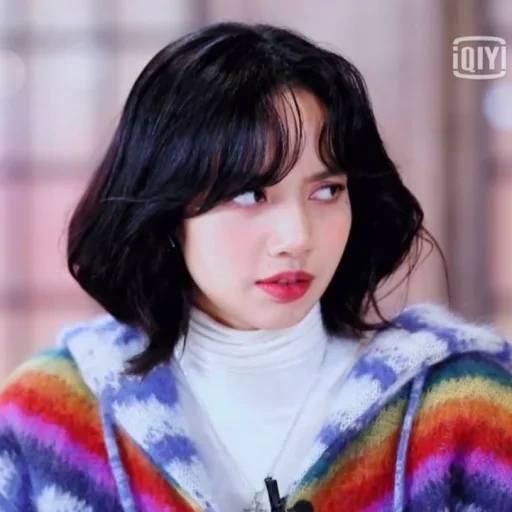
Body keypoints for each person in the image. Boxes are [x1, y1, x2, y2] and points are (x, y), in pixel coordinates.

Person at [0, 21, 511, 512]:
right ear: (168, 208)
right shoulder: (47, 418)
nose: (297, 238)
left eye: (327, 191)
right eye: (250, 195)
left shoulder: (463, 407)